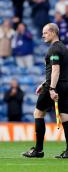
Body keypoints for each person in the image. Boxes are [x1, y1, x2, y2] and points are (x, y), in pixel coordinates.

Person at [22, 23, 68, 158]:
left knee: (38, 113)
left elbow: (56, 70)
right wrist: (43, 83)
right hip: (65, 85)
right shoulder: (64, 48)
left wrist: (51, 88)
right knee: (65, 116)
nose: (43, 35)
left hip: (54, 86)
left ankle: (39, 150)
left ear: (53, 32)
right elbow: (62, 70)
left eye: (45, 32)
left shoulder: (54, 49)